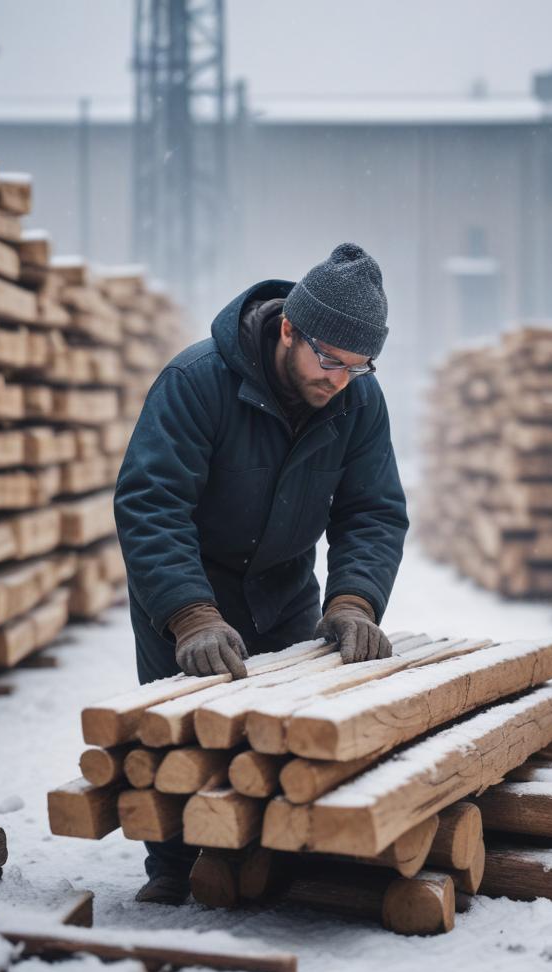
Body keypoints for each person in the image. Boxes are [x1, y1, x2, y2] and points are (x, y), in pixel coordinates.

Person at [114, 242, 409, 903]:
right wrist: (190, 613)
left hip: (282, 588)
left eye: (358, 367)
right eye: (328, 359)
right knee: (181, 740)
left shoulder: (359, 401)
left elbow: (374, 511)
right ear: (287, 330)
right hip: (189, 588)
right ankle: (172, 866)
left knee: (279, 744)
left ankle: (268, 860)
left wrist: (356, 601)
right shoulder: (197, 383)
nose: (339, 378)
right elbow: (151, 503)